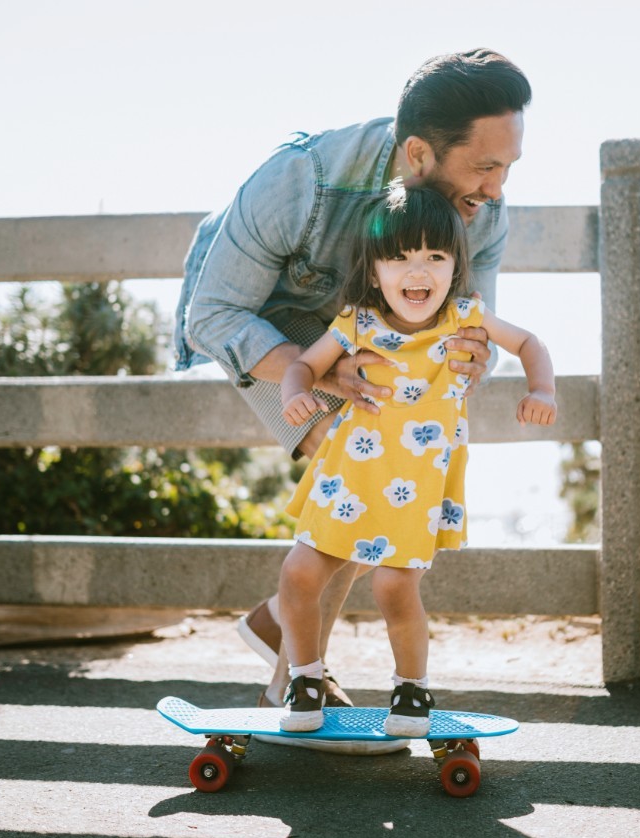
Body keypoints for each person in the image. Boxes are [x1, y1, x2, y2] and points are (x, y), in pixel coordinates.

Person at [173, 49, 531, 747]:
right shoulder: (300, 179)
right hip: (264, 321)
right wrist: (322, 374)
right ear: (420, 154)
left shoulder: (482, 208)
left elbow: (472, 324)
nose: (497, 188)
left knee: (382, 464)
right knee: (359, 467)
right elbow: (213, 314)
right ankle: (289, 671)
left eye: (510, 167)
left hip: (374, 335)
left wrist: (472, 355)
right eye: (486, 167)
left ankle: (283, 624)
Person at [275, 184, 556, 734]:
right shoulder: (357, 322)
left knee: (393, 586)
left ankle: (411, 692)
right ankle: (305, 678)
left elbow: (529, 344)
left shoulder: (463, 316)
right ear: (374, 268)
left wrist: (541, 390)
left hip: (416, 484)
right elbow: (301, 368)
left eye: (435, 256)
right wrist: (295, 394)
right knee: (299, 573)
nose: (417, 271)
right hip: (350, 477)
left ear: (456, 265)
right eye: (398, 257)